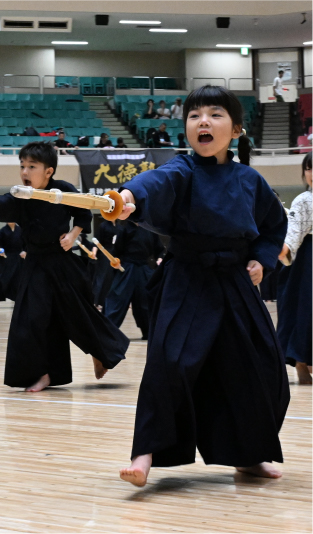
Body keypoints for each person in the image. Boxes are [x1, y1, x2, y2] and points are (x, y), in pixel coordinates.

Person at [117, 85, 290, 487]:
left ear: (236, 128)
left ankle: (249, 455)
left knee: (261, 367)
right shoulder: (182, 169)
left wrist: (261, 261)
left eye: (215, 114)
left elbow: (272, 227)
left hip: (234, 282)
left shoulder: (250, 179)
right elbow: (154, 183)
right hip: (187, 279)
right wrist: (127, 196)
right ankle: (145, 453)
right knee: (170, 363)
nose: (203, 122)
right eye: (194, 116)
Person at [0, 142, 129, 391]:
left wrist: (73, 235)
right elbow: (1, 201)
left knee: (78, 315)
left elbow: (84, 213)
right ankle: (42, 373)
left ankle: (101, 354)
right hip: (34, 265)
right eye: (22, 166)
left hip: (62, 263)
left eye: (32, 166)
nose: (25, 171)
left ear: (48, 171)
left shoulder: (62, 190)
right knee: (32, 320)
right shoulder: (22, 194)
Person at [277, 152, 312, 384]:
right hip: (307, 264)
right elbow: (292, 237)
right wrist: (280, 248)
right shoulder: (304, 200)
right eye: (308, 168)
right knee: (305, 314)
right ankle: (301, 361)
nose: (311, 173)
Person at [103, 220, 165, 340]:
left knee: (145, 301)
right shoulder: (124, 229)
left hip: (144, 268)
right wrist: (116, 261)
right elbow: (116, 251)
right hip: (126, 268)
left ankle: (148, 332)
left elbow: (160, 250)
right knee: (117, 299)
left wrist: (160, 258)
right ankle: (106, 331)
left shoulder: (150, 229)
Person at [0, 222, 25, 308]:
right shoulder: (3, 231)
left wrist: (24, 251)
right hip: (6, 258)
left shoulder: (20, 230)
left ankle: (18, 299)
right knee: (1, 278)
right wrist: (0, 251)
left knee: (18, 279)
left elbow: (25, 242)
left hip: (18, 258)